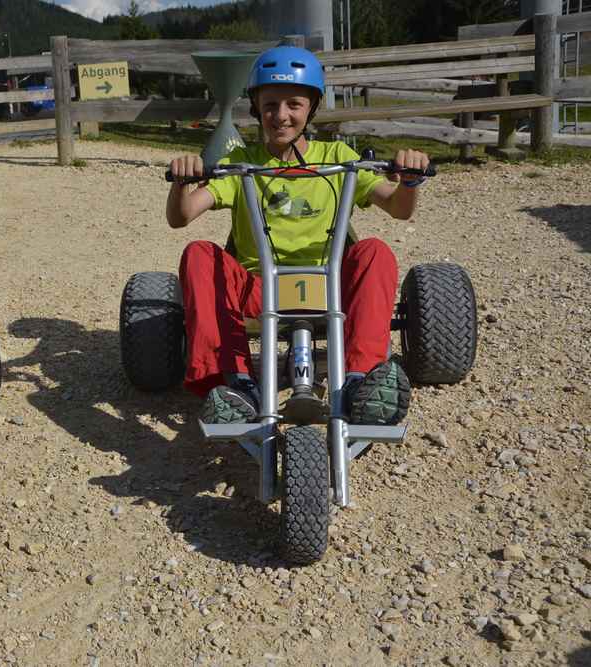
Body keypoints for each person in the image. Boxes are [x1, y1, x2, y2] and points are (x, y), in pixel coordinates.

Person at [166, 46, 429, 426]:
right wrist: (182, 183)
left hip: (327, 284)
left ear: (312, 107)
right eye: (270, 104)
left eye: (294, 104)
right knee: (199, 254)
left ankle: (360, 382)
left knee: (374, 251)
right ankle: (235, 384)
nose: (281, 115)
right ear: (256, 106)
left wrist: (410, 180)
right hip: (258, 287)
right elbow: (182, 216)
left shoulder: (338, 156)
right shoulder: (241, 162)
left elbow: (400, 208)